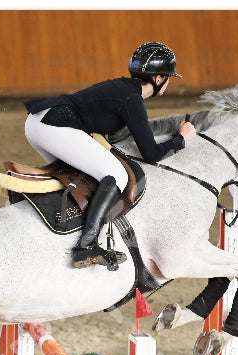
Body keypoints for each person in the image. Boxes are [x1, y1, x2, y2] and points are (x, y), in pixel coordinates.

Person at [23, 42, 197, 269]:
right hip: (53, 126)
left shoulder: (124, 88)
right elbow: (151, 155)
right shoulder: (132, 100)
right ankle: (85, 246)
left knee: (86, 176)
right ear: (158, 79)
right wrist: (181, 139)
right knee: (116, 175)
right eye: (169, 78)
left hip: (38, 122)